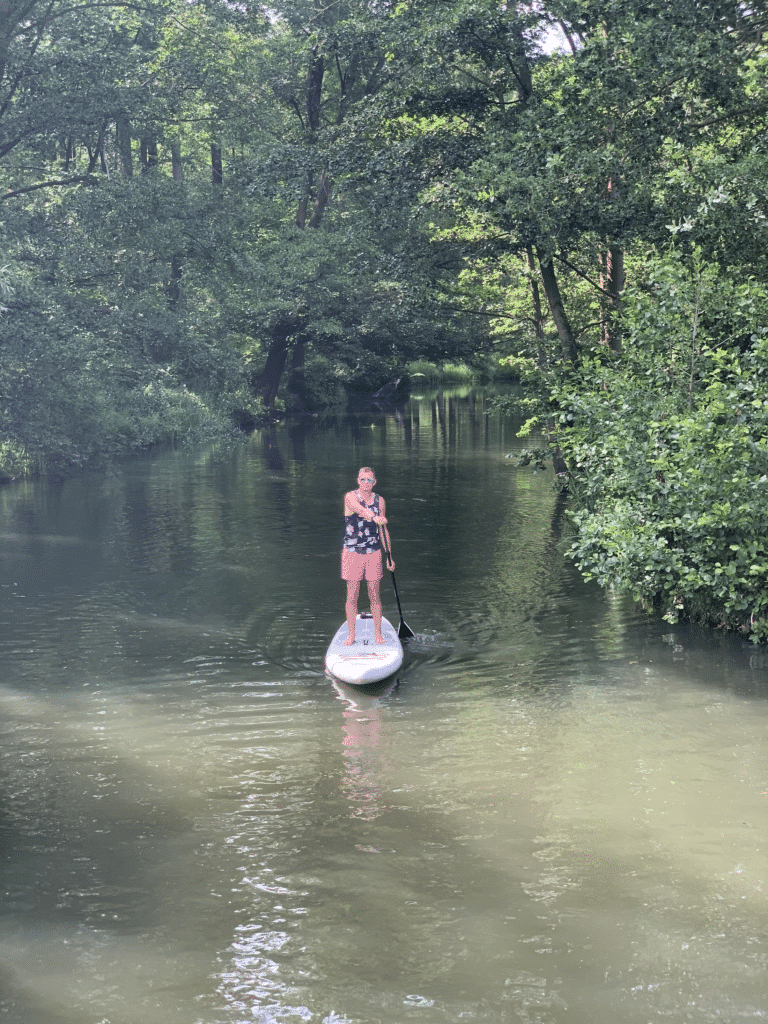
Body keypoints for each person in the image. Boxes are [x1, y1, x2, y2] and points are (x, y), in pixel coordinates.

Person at [341, 467, 395, 645]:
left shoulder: (380, 501)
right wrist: (374, 517)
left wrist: (389, 556)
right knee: (352, 595)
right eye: (363, 480)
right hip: (352, 552)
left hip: (374, 552)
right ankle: (351, 635)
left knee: (374, 595)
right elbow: (360, 510)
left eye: (369, 480)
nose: (366, 483)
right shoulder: (350, 497)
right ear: (358, 480)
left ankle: (378, 634)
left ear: (374, 482)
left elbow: (383, 531)